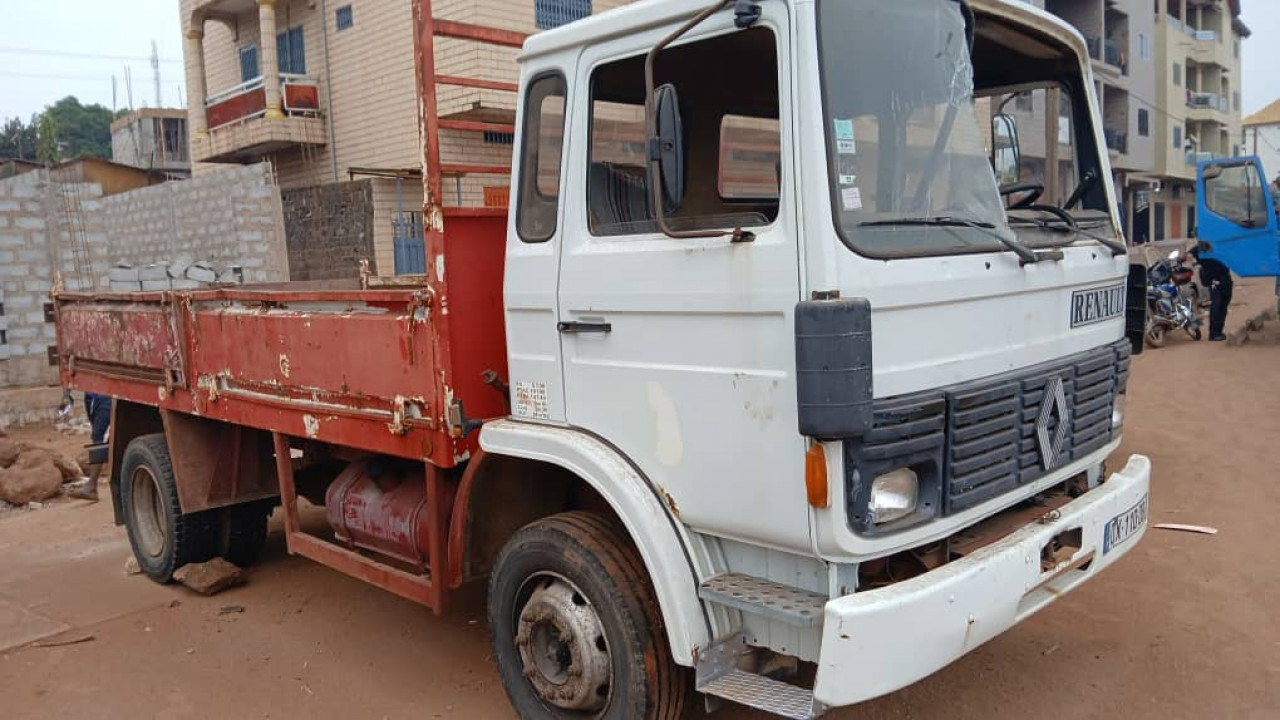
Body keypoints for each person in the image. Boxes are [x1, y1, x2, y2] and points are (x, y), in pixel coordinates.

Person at [68, 392, 111, 502]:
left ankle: (92, 485)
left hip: (105, 395)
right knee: (99, 435)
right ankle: (92, 486)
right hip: (92, 395)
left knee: (99, 436)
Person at [1189, 246, 1233, 342]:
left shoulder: (1218, 244)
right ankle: (1214, 333)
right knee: (1217, 306)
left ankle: (1218, 332)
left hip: (1224, 279)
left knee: (1222, 306)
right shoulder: (1202, 247)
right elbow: (1188, 256)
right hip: (1215, 281)